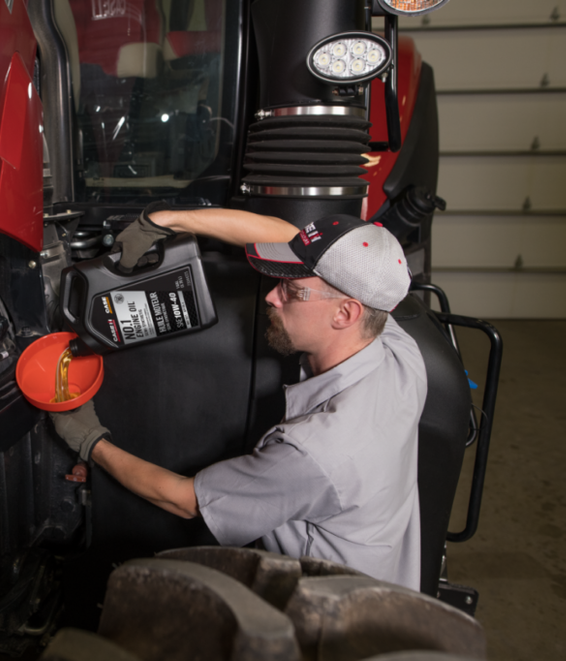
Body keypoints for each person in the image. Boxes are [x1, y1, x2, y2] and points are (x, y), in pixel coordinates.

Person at [50, 204, 427, 590]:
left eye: (292, 290)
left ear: (345, 313)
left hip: (325, 625)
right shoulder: (395, 350)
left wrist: (89, 440)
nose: (272, 298)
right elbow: (284, 234)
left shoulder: (319, 451)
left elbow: (184, 499)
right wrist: (162, 221)